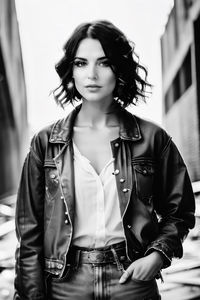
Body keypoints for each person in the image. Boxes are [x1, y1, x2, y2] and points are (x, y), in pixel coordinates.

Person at [14, 20, 195, 300]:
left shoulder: (152, 138)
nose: (92, 74)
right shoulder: (46, 142)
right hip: (65, 283)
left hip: (131, 280)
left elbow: (179, 212)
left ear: (119, 69)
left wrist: (158, 256)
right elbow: (29, 234)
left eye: (104, 62)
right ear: (71, 70)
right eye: (81, 63)